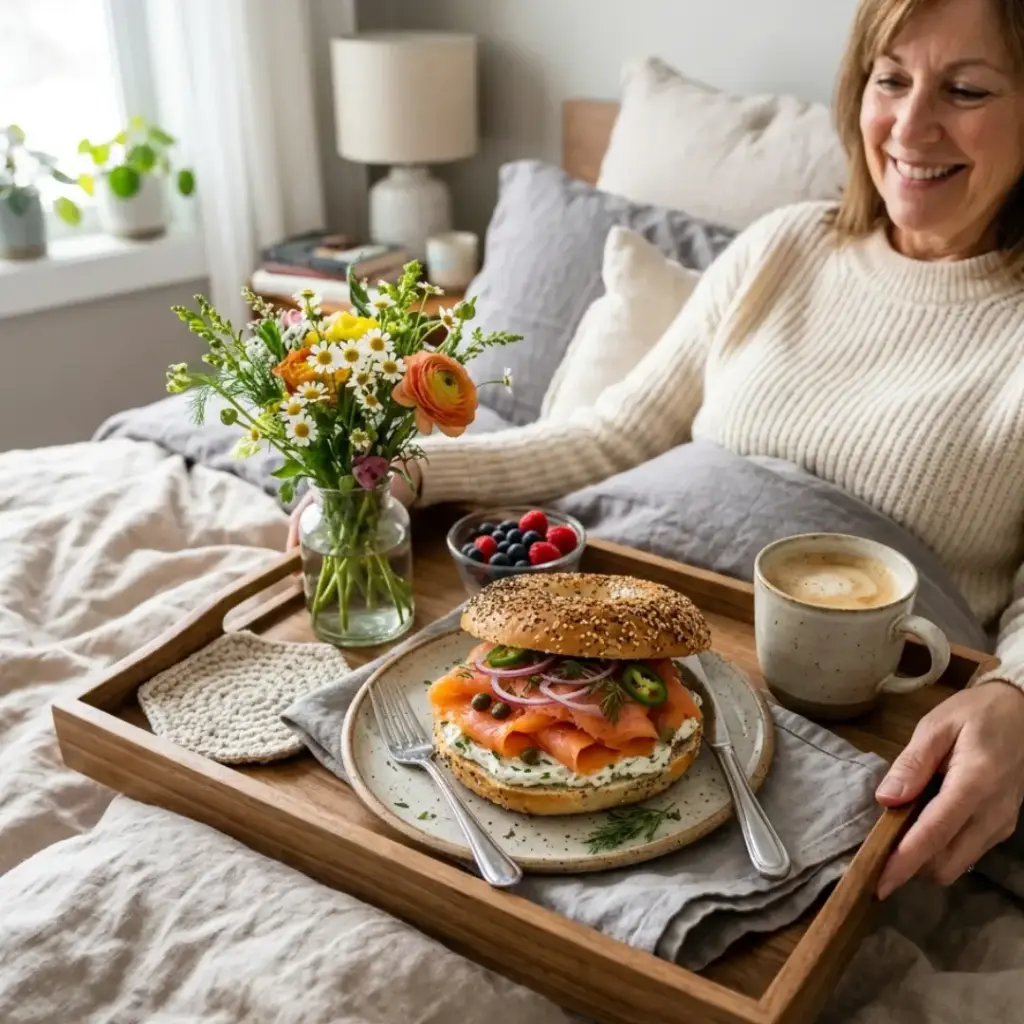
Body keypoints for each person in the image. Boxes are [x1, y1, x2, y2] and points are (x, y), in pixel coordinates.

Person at [289, 0, 1024, 899]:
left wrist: (1014, 694)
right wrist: (411, 470)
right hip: (654, 639)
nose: (912, 125)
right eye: (891, 79)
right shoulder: (783, 246)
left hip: (867, 721)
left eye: (967, 88)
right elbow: (620, 431)